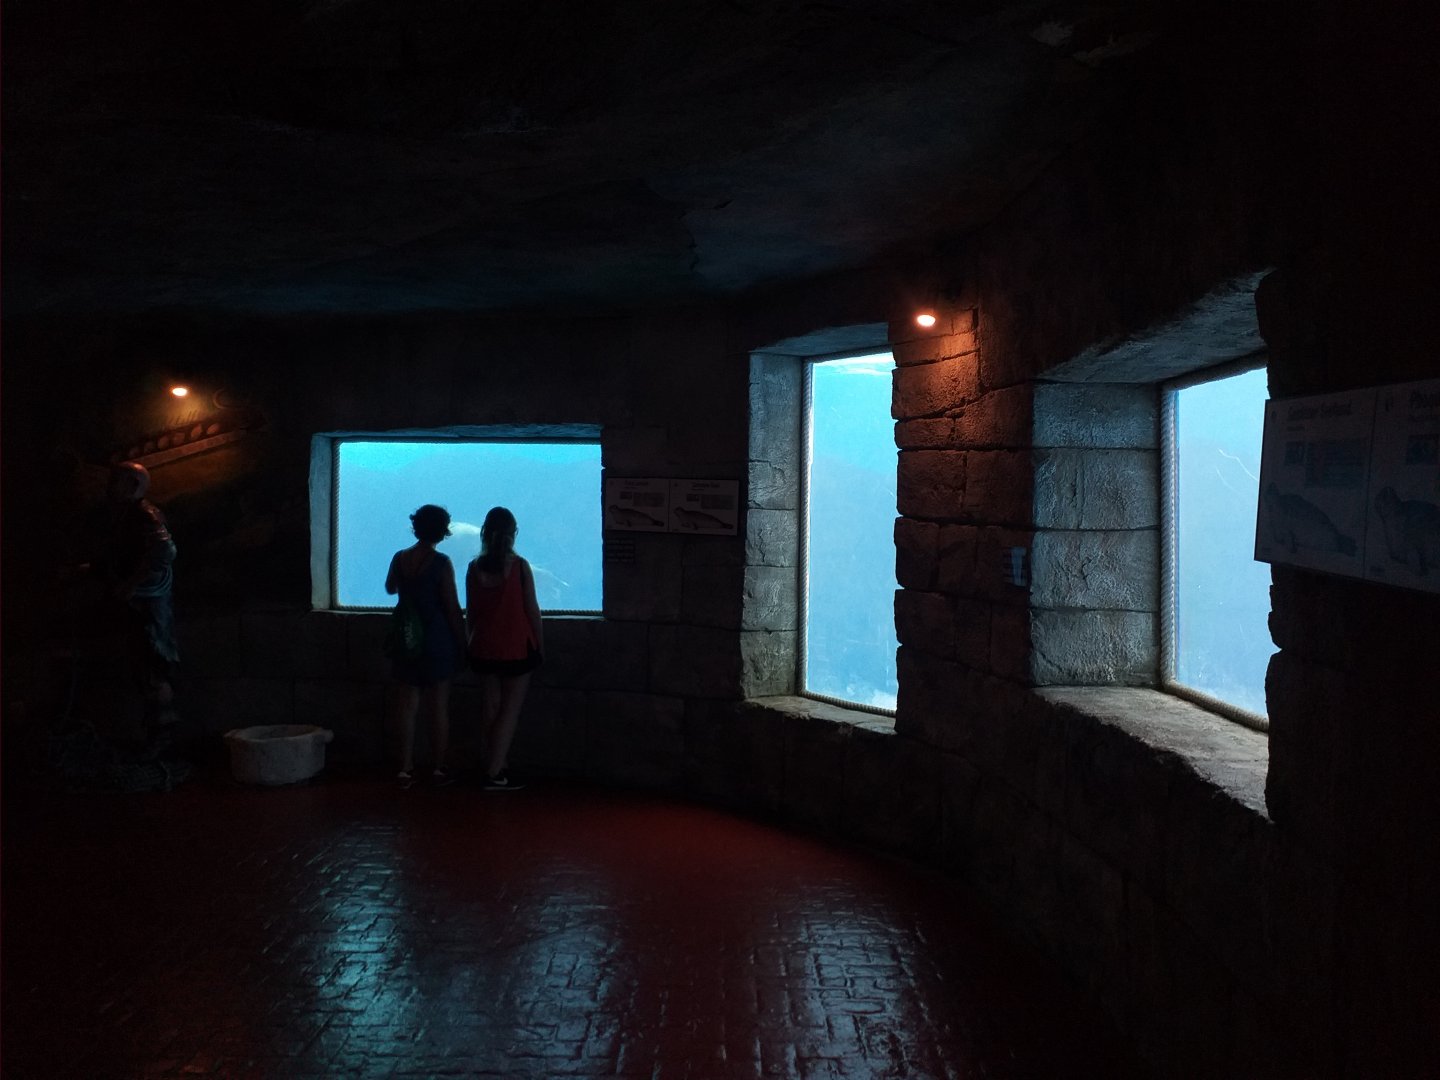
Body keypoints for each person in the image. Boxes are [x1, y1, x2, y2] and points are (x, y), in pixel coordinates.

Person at [385, 504, 466, 789]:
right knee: (438, 706)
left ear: (416, 527)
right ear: (442, 531)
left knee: (406, 705)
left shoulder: (400, 558)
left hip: (407, 638)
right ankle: (438, 768)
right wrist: (462, 641)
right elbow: (452, 607)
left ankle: (404, 768)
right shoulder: (441, 563)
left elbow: (390, 588)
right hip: (436, 639)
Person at [100, 461, 180, 741]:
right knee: (143, 667)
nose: (109, 488)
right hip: (139, 601)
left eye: (115, 481)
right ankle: (155, 735)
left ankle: (163, 737)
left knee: (153, 667)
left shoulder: (144, 515)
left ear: (133, 485)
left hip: (148, 602)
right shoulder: (127, 515)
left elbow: (164, 551)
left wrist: (132, 584)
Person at [465, 506, 544, 790]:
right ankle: (494, 772)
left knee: (491, 707)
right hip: (516, 647)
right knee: (510, 711)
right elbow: (531, 609)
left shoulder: (473, 568)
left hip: (483, 647)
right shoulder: (520, 567)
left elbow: (471, 613)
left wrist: (469, 644)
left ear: (485, 532)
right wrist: (540, 643)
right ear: (514, 534)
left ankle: (496, 763)